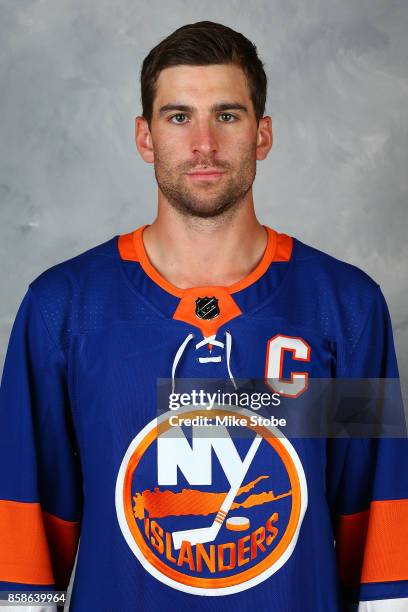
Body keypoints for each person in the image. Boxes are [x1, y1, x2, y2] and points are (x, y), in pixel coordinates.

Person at [0, 20, 407, 612]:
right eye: (178, 116)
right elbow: (26, 530)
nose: (204, 145)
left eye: (228, 115)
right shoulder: (62, 310)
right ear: (146, 137)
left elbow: (378, 530)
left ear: (262, 135)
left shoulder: (345, 307)